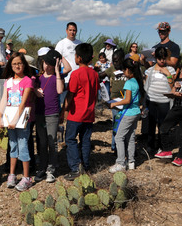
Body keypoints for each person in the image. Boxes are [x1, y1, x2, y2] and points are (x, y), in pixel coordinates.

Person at [60, 43, 99, 181]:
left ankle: (75, 167)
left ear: (79, 58)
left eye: (75, 55)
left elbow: (70, 94)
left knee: (70, 139)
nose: (75, 58)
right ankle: (86, 166)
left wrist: (64, 108)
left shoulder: (75, 74)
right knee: (85, 140)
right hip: (89, 114)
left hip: (76, 114)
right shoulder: (95, 74)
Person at [0, 52, 34, 191]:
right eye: (14, 64)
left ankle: (26, 177)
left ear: (24, 64)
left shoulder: (28, 81)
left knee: (23, 145)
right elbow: (4, 100)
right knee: (12, 146)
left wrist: (14, 119)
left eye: (19, 63)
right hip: (10, 118)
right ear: (10, 66)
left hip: (22, 118)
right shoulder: (8, 81)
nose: (17, 66)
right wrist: (0, 117)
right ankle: (12, 174)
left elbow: (23, 103)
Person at [34, 49, 65, 183]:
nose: (47, 66)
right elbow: (31, 89)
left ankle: (51, 169)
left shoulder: (57, 77)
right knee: (42, 142)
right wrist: (35, 91)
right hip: (40, 114)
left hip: (52, 114)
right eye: (45, 62)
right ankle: (42, 167)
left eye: (50, 64)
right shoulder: (38, 78)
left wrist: (58, 71)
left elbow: (59, 90)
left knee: (52, 142)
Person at [109, 58, 145, 172]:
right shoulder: (137, 81)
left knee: (119, 137)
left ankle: (120, 163)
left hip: (128, 113)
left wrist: (115, 103)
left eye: (124, 70)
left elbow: (127, 100)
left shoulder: (129, 83)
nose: (123, 73)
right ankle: (131, 162)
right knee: (130, 138)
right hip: (135, 112)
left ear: (128, 70)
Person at [144, 47, 176, 154]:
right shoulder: (150, 70)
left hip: (164, 101)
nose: (162, 61)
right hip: (151, 100)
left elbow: (172, 86)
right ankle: (150, 146)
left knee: (162, 125)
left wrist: (168, 74)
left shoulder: (170, 70)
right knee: (151, 124)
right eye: (159, 58)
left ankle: (162, 146)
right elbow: (146, 85)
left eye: (163, 58)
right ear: (155, 58)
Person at [102, 50, 128, 153]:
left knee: (125, 125)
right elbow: (101, 75)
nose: (115, 63)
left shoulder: (128, 69)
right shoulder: (111, 69)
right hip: (115, 102)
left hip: (126, 101)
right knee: (116, 124)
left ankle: (124, 146)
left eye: (117, 61)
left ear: (122, 60)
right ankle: (115, 147)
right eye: (114, 61)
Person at [155, 70, 182, 166]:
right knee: (164, 128)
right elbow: (172, 93)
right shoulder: (178, 80)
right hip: (176, 107)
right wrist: (174, 89)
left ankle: (180, 157)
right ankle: (167, 150)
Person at [55, 22, 80, 107]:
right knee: (64, 102)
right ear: (66, 30)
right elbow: (56, 60)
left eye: (74, 30)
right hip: (66, 78)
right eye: (70, 30)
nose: (72, 32)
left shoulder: (80, 44)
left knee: (76, 102)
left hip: (78, 78)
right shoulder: (61, 43)